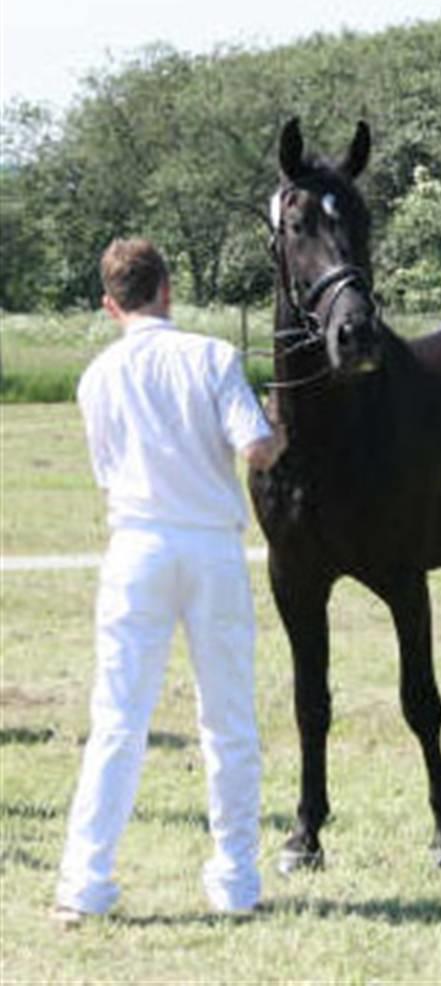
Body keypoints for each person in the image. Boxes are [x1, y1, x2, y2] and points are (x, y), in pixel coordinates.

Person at [52, 237, 286, 925]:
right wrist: (277, 422)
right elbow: (257, 451)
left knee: (117, 722)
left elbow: (105, 471)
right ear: (166, 291)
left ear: (109, 303)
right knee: (229, 720)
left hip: (135, 546)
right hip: (210, 547)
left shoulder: (94, 377)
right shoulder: (211, 356)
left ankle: (85, 882)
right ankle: (236, 880)